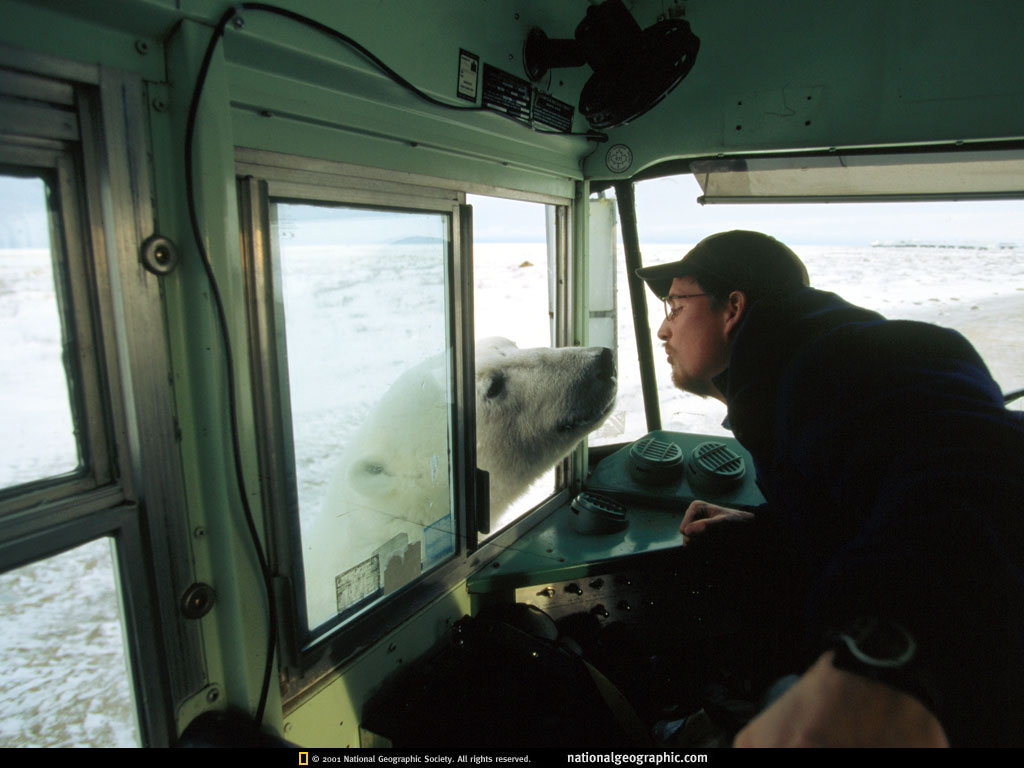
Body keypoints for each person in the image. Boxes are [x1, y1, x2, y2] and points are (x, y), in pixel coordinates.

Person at [635, 230, 1024, 747]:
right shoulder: (784, 379)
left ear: (733, 308)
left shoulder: (852, 355)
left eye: (675, 305)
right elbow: (870, 501)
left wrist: (884, 671)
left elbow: (976, 476)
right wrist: (770, 530)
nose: (663, 329)